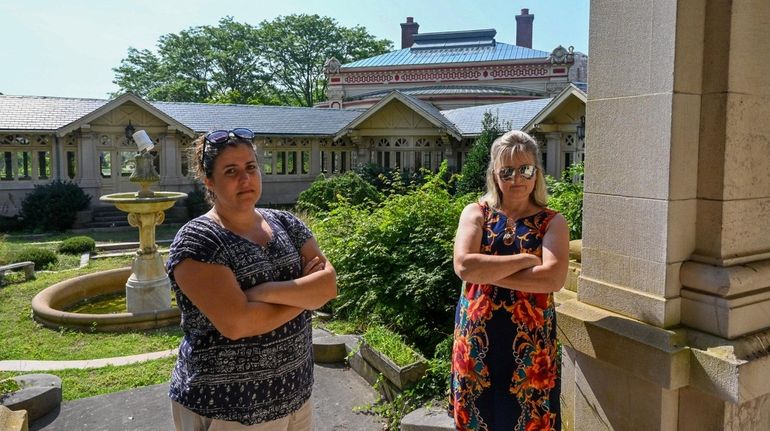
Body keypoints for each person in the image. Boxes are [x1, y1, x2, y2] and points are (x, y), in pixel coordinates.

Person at [166, 128, 337, 430]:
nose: (245, 179)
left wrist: (264, 291)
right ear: (209, 181)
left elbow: (327, 285)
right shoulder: (199, 240)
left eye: (251, 167)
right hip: (229, 408)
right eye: (230, 171)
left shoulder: (286, 222)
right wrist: (305, 297)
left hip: (296, 394)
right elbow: (238, 324)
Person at [450, 130, 569, 430]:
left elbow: (552, 278)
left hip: (531, 355)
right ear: (494, 173)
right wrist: (527, 261)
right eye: (507, 171)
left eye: (525, 169)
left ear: (537, 172)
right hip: (477, 350)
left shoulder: (553, 222)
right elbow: (465, 266)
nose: (517, 178)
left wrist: (488, 270)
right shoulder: (475, 212)